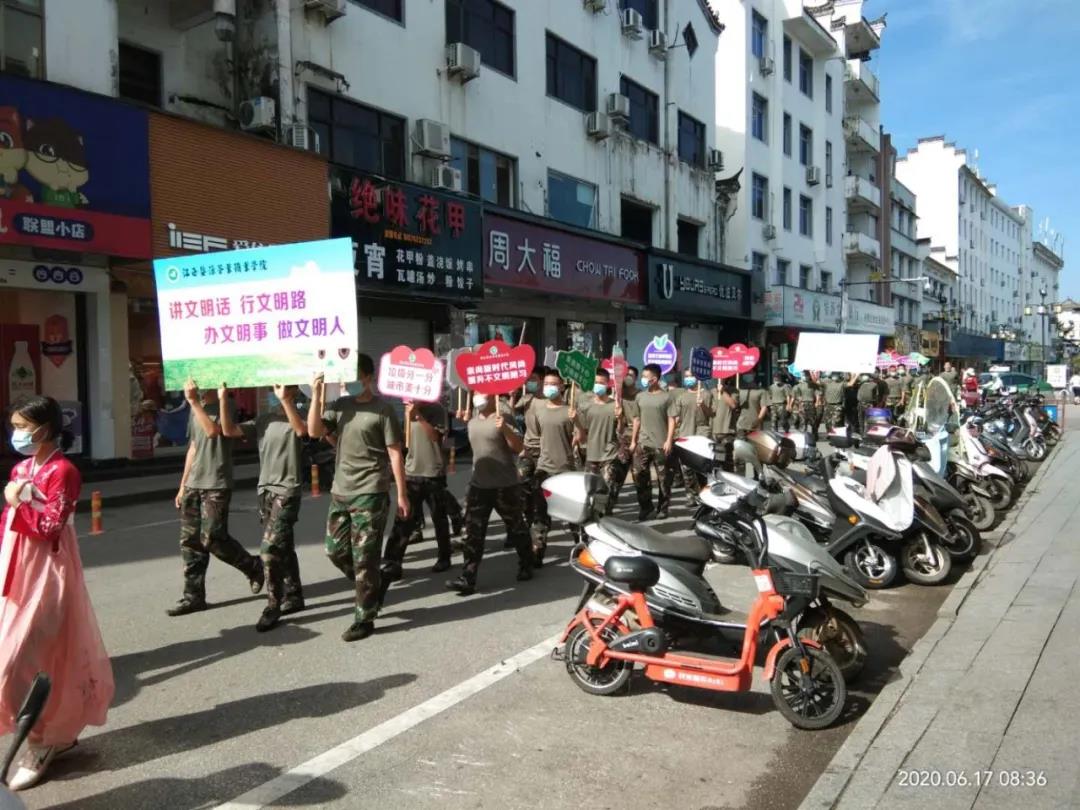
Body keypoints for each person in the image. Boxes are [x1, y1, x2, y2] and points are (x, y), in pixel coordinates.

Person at [1, 396, 114, 791]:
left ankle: (42, 741)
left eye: (21, 426)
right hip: (17, 569)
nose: (16, 434)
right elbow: (8, 524)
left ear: (44, 428)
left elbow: (50, 527)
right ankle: (52, 733)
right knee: (17, 657)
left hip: (48, 572)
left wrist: (18, 502)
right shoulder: (21, 467)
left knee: (22, 661)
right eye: (13, 426)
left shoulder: (63, 472)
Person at [308, 354, 409, 643]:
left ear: (368, 378)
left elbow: (394, 452)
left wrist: (401, 493)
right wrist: (316, 395)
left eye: (354, 377)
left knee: (364, 558)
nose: (349, 383)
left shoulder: (383, 410)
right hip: (341, 490)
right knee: (335, 550)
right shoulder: (339, 406)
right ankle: (374, 583)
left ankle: (364, 617)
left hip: (371, 492)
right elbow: (314, 431)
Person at [168, 380, 263, 617]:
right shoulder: (195, 407)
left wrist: (193, 402)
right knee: (190, 542)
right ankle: (193, 596)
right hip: (194, 483)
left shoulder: (226, 404)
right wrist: (182, 485)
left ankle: (252, 565)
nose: (197, 388)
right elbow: (193, 447)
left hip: (216, 482)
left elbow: (213, 432)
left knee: (213, 538)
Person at [234, 385, 307, 633]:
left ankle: (273, 604)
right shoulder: (264, 418)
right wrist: (224, 399)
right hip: (265, 490)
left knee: (269, 549)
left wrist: (286, 400)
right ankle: (294, 594)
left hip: (288, 489)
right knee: (283, 544)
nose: (278, 387)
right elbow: (228, 430)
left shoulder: (302, 410)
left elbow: (302, 431)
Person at [450, 392, 534, 594]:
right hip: (479, 486)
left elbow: (519, 448)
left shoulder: (502, 418)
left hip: (505, 485)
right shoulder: (471, 422)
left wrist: (504, 428)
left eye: (483, 393)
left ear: (492, 396)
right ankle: (468, 578)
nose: (479, 397)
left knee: (516, 527)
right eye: (476, 393)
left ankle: (526, 563)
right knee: (473, 534)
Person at [381, 397, 454, 589]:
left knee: (439, 518)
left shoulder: (437, 410)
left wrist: (419, 415)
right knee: (404, 519)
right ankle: (393, 562)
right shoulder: (407, 410)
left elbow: (436, 437)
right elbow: (405, 443)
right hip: (412, 472)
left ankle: (444, 556)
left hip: (433, 472)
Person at [527, 371, 582, 565]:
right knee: (540, 514)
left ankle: (581, 549)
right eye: (547, 383)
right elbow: (535, 437)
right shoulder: (539, 410)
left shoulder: (569, 411)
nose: (549, 387)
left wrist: (576, 421)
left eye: (554, 384)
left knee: (572, 514)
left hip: (565, 468)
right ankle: (537, 552)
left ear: (561, 387)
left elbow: (580, 438)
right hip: (544, 468)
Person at [631, 363, 677, 521]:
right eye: (642, 376)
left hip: (661, 444)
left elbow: (672, 419)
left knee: (664, 480)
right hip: (643, 443)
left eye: (645, 377)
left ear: (655, 379)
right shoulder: (640, 397)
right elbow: (636, 419)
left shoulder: (667, 397)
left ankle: (663, 508)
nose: (642, 379)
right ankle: (645, 506)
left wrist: (669, 440)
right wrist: (633, 441)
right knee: (639, 476)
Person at [578, 369, 624, 515]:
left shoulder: (615, 405)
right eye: (596, 382)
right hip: (591, 455)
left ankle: (605, 519)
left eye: (601, 383)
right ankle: (592, 521)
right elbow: (581, 432)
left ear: (608, 384)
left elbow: (621, 430)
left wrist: (620, 417)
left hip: (609, 455)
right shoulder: (586, 406)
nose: (598, 385)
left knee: (606, 492)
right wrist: (575, 422)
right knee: (589, 492)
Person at [673, 369, 713, 505]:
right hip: (686, 435)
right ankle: (691, 495)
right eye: (686, 376)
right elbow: (676, 417)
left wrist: (702, 405)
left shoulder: (706, 394)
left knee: (702, 468)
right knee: (686, 468)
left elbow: (712, 414)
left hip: (702, 435)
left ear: (697, 378)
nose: (688, 379)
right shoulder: (681, 397)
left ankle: (705, 495)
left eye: (691, 376)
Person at [512, 366, 545, 529]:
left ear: (541, 381)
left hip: (545, 451)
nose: (530, 382)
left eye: (533, 379)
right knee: (522, 483)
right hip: (527, 448)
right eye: (528, 379)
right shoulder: (526, 399)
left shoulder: (549, 401)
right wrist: (512, 395)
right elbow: (510, 412)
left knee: (539, 487)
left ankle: (540, 518)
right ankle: (528, 516)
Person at [710, 379, 738, 471]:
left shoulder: (733, 391)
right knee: (717, 460)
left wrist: (723, 392)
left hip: (727, 431)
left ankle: (729, 481)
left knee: (727, 460)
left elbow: (733, 405)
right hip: (714, 432)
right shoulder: (711, 392)